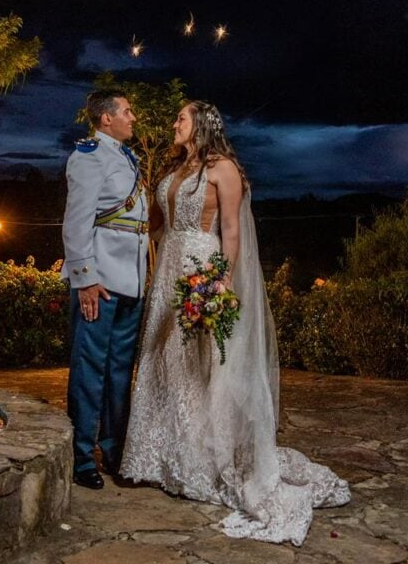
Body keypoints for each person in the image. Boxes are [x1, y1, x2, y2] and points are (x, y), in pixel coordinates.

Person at [121, 101, 350, 545]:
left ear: (201, 126)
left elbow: (231, 232)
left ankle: (201, 464)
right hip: (168, 268)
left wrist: (218, 287)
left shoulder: (223, 169)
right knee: (162, 363)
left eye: (181, 119)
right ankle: (157, 460)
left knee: (198, 371)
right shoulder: (177, 167)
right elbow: (153, 224)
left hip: (200, 272)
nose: (174, 123)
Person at [62, 89, 149, 489]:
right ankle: (82, 456)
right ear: (106, 118)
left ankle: (113, 451)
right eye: (127, 111)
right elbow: (77, 221)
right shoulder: (89, 155)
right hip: (100, 281)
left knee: (118, 370)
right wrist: (86, 279)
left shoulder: (126, 157)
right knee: (90, 367)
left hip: (130, 280)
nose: (133, 117)